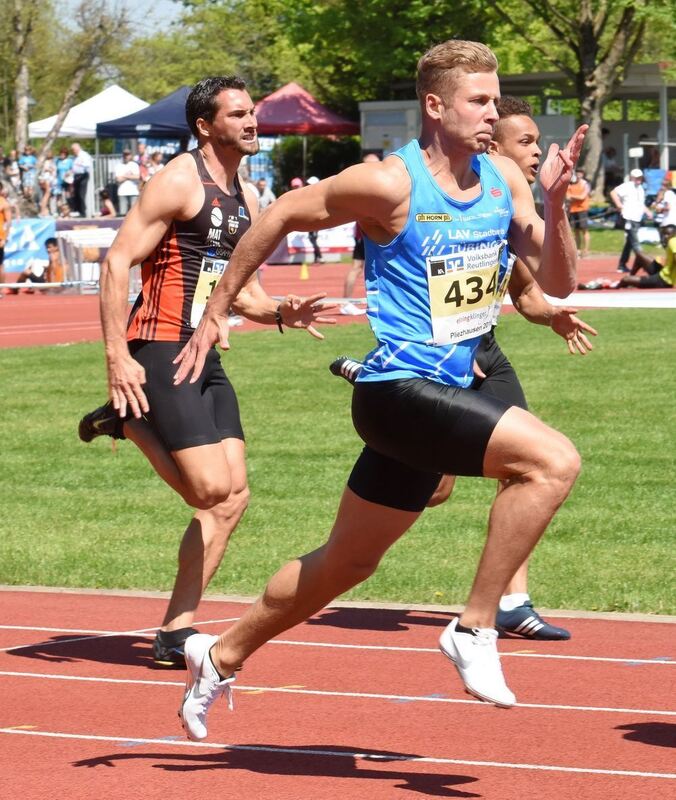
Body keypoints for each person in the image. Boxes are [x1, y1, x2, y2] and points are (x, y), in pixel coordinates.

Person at [171, 40, 587, 741]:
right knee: (553, 461)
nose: (492, 115)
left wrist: (551, 196)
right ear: (434, 105)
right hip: (395, 389)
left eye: (495, 100)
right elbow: (276, 218)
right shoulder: (389, 184)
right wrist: (216, 310)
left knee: (347, 561)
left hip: (446, 391)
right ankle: (476, 627)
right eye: (478, 101)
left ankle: (218, 655)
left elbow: (561, 281)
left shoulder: (503, 182)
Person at [77, 76, 335, 670]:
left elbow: (241, 295)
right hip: (159, 346)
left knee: (233, 498)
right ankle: (126, 422)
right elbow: (118, 262)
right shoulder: (177, 180)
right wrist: (117, 356)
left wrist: (281, 314)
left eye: (253, 113)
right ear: (205, 125)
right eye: (238, 114)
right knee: (206, 489)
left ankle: (175, 629)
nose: (252, 123)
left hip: (205, 351)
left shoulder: (245, 193)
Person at [330, 96, 597, 642]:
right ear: (491, 145)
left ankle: (509, 603)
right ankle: (374, 381)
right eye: (524, 142)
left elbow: (524, 289)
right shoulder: (453, 199)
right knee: (438, 489)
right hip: (432, 362)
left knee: (528, 464)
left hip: (485, 355)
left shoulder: (503, 207)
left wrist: (551, 316)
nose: (534, 153)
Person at [341, 153, 381, 316]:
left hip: (375, 232)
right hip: (365, 233)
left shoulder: (377, 182)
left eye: (378, 163)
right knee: (357, 267)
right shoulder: (362, 184)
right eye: (372, 164)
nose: (377, 167)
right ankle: (346, 302)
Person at [610, 168, 653, 273]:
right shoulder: (627, 186)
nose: (638, 179)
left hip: (637, 218)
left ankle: (622, 264)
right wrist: (619, 204)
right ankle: (646, 264)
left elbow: (640, 203)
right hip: (629, 217)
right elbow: (613, 193)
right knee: (635, 242)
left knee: (629, 242)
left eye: (640, 177)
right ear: (632, 177)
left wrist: (648, 211)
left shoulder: (641, 188)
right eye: (636, 177)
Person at [617, 224, 676, 289]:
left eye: (668, 234)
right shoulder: (671, 241)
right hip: (663, 273)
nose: (665, 237)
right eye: (664, 234)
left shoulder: (673, 241)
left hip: (663, 280)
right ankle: (631, 278)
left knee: (625, 280)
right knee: (639, 255)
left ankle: (615, 289)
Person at [566, 166, 591, 257]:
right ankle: (578, 250)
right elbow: (567, 196)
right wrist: (574, 197)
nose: (579, 174)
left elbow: (582, 197)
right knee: (576, 231)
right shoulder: (570, 184)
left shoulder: (585, 184)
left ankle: (586, 250)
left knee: (584, 230)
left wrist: (573, 197)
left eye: (581, 173)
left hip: (582, 209)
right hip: (573, 210)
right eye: (578, 172)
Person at [114, 149, 141, 215]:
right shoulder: (118, 166)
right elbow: (118, 179)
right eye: (125, 155)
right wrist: (130, 175)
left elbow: (137, 176)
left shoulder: (134, 165)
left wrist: (124, 176)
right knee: (123, 213)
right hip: (122, 192)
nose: (126, 156)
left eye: (128, 155)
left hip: (133, 191)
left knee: (134, 213)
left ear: (130, 155)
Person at [70, 142, 93, 217]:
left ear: (76, 149)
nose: (73, 151)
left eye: (73, 150)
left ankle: (83, 212)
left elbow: (87, 165)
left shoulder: (84, 155)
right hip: (76, 176)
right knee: (76, 194)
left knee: (81, 194)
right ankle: (79, 211)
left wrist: (80, 165)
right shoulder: (76, 156)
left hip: (83, 176)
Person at [0, 184, 13, 289]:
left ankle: (0, 288)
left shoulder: (4, 203)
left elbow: (8, 222)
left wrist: (5, 238)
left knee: (0, 264)